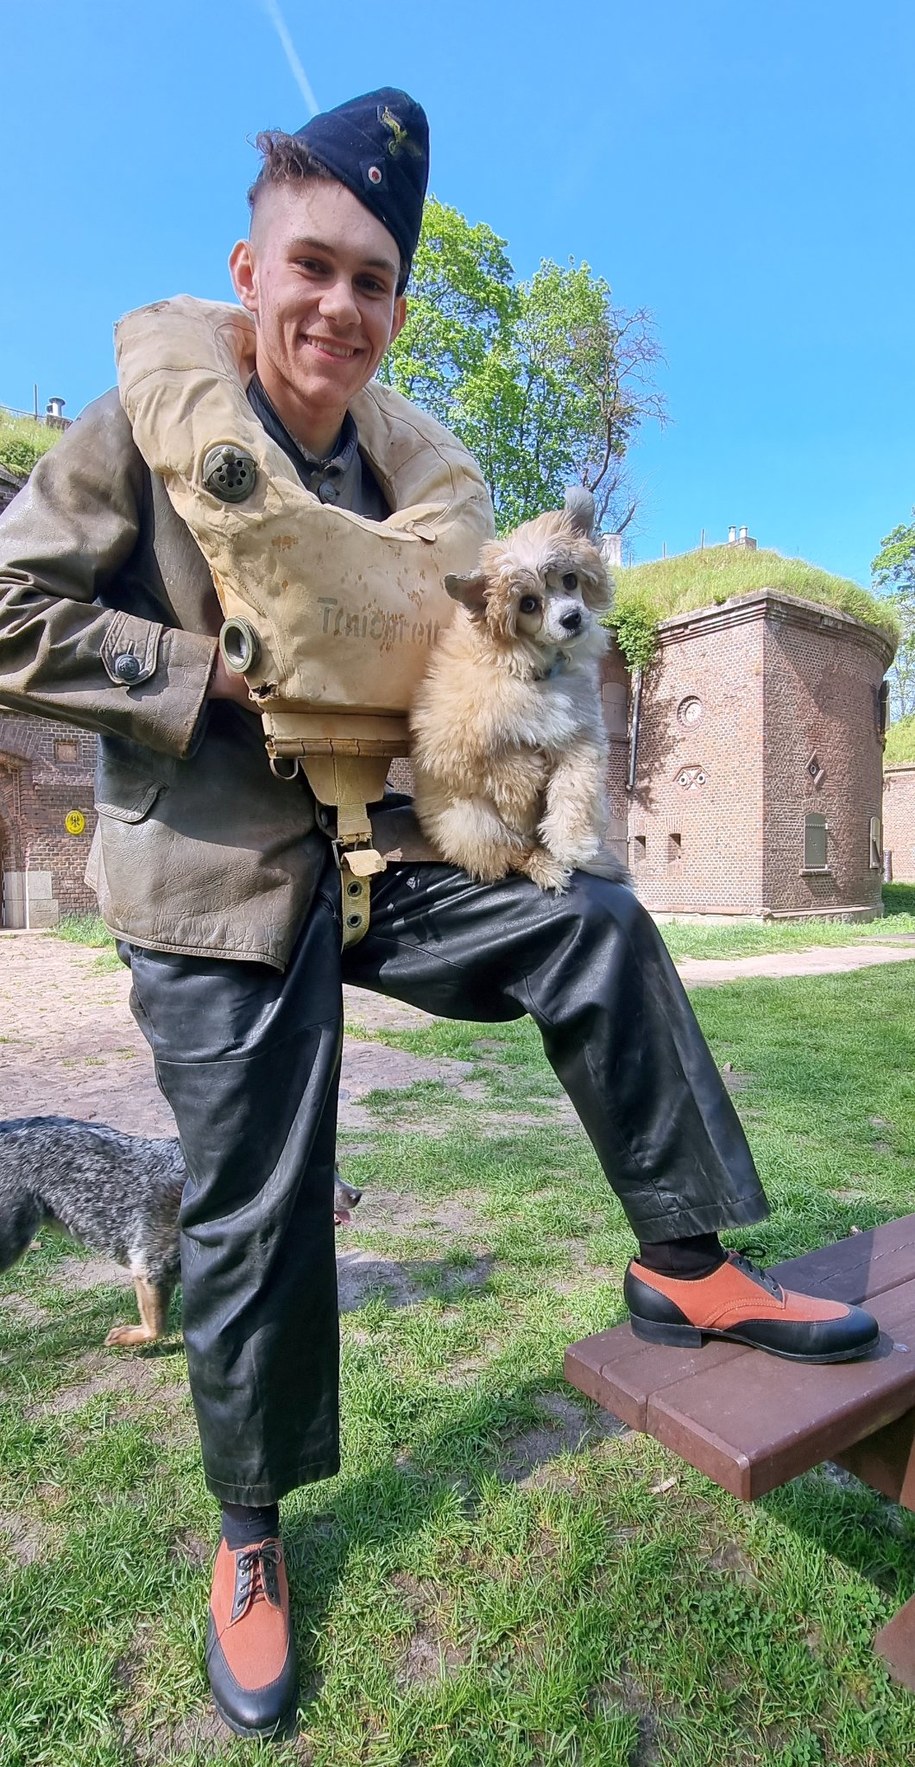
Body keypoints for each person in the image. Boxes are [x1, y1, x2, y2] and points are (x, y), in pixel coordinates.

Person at [0, 89, 879, 1741]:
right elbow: (5, 604)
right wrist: (196, 674)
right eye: (311, 268)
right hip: (214, 876)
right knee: (259, 1206)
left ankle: (684, 1263)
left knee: (596, 926)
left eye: (373, 281)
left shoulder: (412, 481)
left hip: (385, 856)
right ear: (248, 271)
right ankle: (251, 1536)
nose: (339, 307)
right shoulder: (139, 431)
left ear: (398, 306)